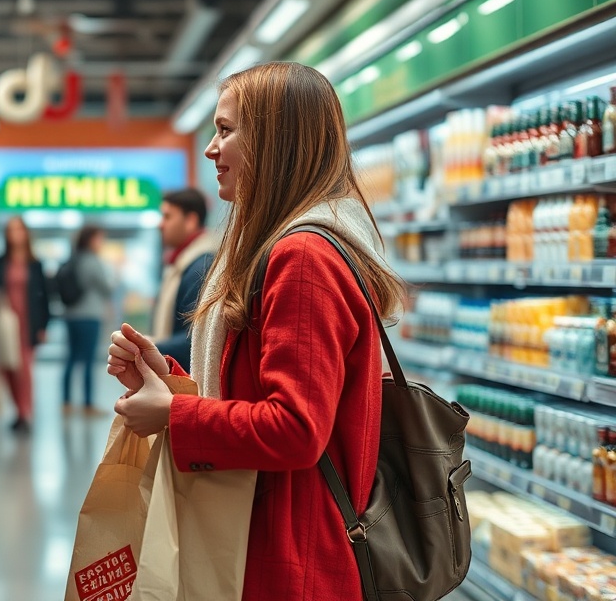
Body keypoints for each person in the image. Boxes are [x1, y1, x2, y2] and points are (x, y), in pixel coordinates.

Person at [106, 62, 405, 600]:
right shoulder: (281, 249)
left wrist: (173, 414)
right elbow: (254, 390)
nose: (210, 150)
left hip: (291, 557)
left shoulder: (304, 257)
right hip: (263, 537)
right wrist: (166, 379)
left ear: (274, 140)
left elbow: (295, 427)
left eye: (225, 131)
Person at [0, 215, 51, 433]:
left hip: (29, 322)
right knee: (8, 367)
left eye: (18, 229)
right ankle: (17, 410)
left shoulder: (35, 264)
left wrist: (43, 326)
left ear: (26, 233)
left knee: (24, 370)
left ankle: (25, 413)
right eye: (11, 230)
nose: (14, 234)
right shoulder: (0, 262)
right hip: (7, 323)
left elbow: (44, 297)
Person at [150, 188, 217, 369]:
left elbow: (195, 338)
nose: (161, 224)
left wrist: (149, 347)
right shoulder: (184, 263)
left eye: (167, 217)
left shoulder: (200, 267)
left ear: (191, 221)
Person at [61, 225, 117, 415]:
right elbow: (107, 287)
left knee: (71, 358)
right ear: (91, 239)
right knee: (88, 360)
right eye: (99, 238)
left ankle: (66, 402)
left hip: (71, 316)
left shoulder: (74, 260)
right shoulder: (92, 261)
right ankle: (88, 404)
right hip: (90, 316)